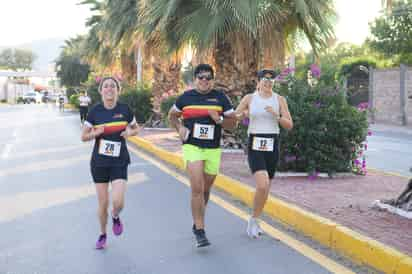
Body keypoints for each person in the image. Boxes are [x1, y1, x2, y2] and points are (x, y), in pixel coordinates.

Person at [168, 64, 237, 248]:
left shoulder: (221, 98)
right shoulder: (186, 97)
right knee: (197, 188)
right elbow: (172, 115)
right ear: (195, 79)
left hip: (212, 148)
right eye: (201, 77)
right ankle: (200, 230)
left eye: (208, 77)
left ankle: (197, 219)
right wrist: (180, 127)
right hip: (192, 146)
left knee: (206, 190)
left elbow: (233, 124)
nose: (204, 80)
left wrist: (220, 120)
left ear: (212, 80)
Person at [81, 76, 140, 249]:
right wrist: (95, 133)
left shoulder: (125, 110)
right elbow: (83, 136)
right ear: (101, 91)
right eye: (106, 86)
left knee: (118, 202)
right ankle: (102, 234)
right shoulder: (95, 112)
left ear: (118, 90)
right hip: (99, 163)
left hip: (119, 160)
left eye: (113, 86)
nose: (109, 89)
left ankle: (115, 215)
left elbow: (136, 128)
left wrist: (130, 132)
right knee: (103, 203)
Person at [235, 69, 293, 238]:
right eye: (264, 79)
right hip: (255, 143)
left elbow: (289, 124)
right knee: (262, 184)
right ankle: (253, 220)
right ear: (258, 81)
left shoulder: (279, 100)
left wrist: (277, 116)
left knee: (266, 186)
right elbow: (235, 116)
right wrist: (242, 115)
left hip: (272, 143)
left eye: (271, 79)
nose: (268, 81)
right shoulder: (250, 98)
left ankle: (256, 219)